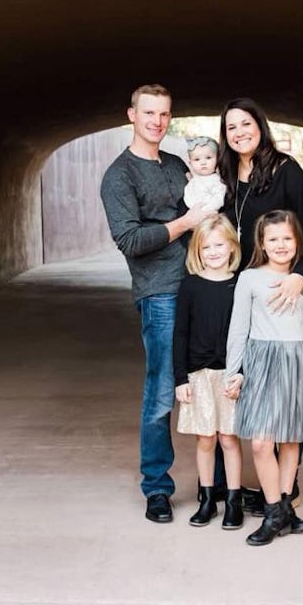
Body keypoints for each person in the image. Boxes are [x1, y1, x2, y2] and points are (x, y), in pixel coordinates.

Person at [100, 83, 209, 524]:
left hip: (202, 284)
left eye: (164, 114)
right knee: (163, 388)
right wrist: (184, 223)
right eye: (149, 113)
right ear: (132, 114)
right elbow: (130, 239)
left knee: (211, 381)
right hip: (161, 292)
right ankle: (157, 488)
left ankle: (217, 482)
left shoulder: (177, 165)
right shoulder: (119, 175)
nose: (157, 122)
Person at [217, 96, 303, 509]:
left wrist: (299, 276)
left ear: (260, 126)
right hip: (240, 287)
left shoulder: (286, 171)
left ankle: (287, 489)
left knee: (289, 391)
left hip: (283, 289)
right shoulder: (225, 176)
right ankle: (226, 486)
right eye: (231, 127)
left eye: (246, 124)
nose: (239, 132)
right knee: (243, 381)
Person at [225, 210, 303, 546]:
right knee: (261, 442)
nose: (280, 245)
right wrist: (233, 372)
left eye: (287, 238)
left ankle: (284, 507)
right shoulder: (250, 279)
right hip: (263, 362)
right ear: (262, 244)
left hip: (299, 361)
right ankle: (273, 511)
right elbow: (238, 329)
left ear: (297, 242)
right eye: (273, 239)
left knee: (291, 440)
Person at [173, 214, 243, 529]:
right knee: (205, 439)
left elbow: (248, 333)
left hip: (229, 373)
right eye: (206, 247)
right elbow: (180, 334)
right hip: (198, 374)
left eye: (219, 245)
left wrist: (242, 373)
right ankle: (206, 499)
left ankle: (233, 500)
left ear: (231, 247)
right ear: (197, 251)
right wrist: (180, 378)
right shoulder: (190, 286)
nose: (213, 252)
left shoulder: (240, 284)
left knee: (229, 438)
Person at [183, 136, 227, 212]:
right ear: (190, 163)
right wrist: (194, 209)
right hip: (193, 215)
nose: (203, 163)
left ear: (217, 159)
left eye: (208, 158)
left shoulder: (217, 181)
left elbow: (219, 199)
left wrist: (204, 210)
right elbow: (188, 196)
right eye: (197, 159)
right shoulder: (193, 182)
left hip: (210, 215)